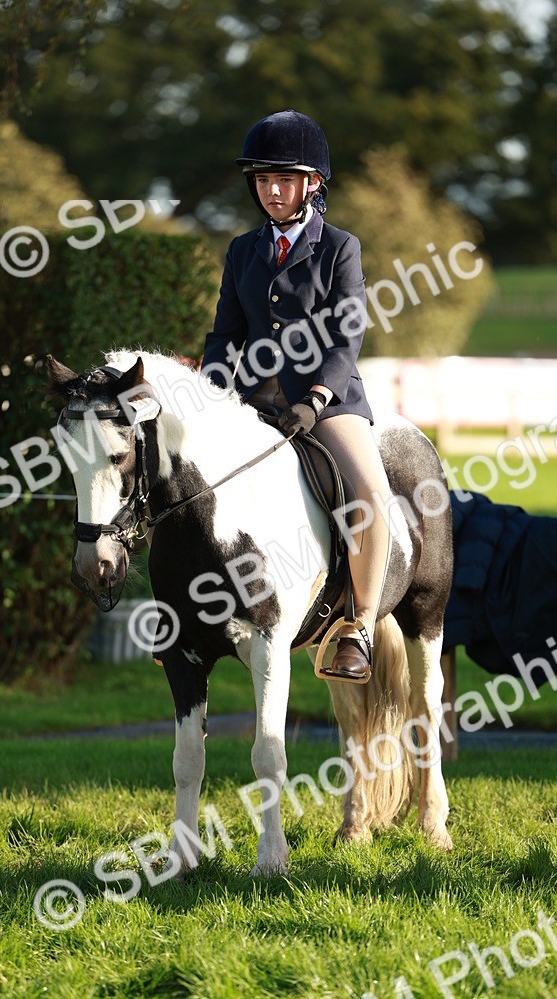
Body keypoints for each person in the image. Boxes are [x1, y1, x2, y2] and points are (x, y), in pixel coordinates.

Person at [201, 109, 392, 682]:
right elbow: (224, 334)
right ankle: (188, 617)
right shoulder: (242, 251)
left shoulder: (340, 248)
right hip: (257, 401)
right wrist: (209, 394)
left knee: (369, 497)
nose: (272, 191)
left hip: (327, 400)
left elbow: (347, 333)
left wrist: (316, 395)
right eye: (262, 181)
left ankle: (357, 626)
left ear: (313, 183)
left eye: (284, 180)